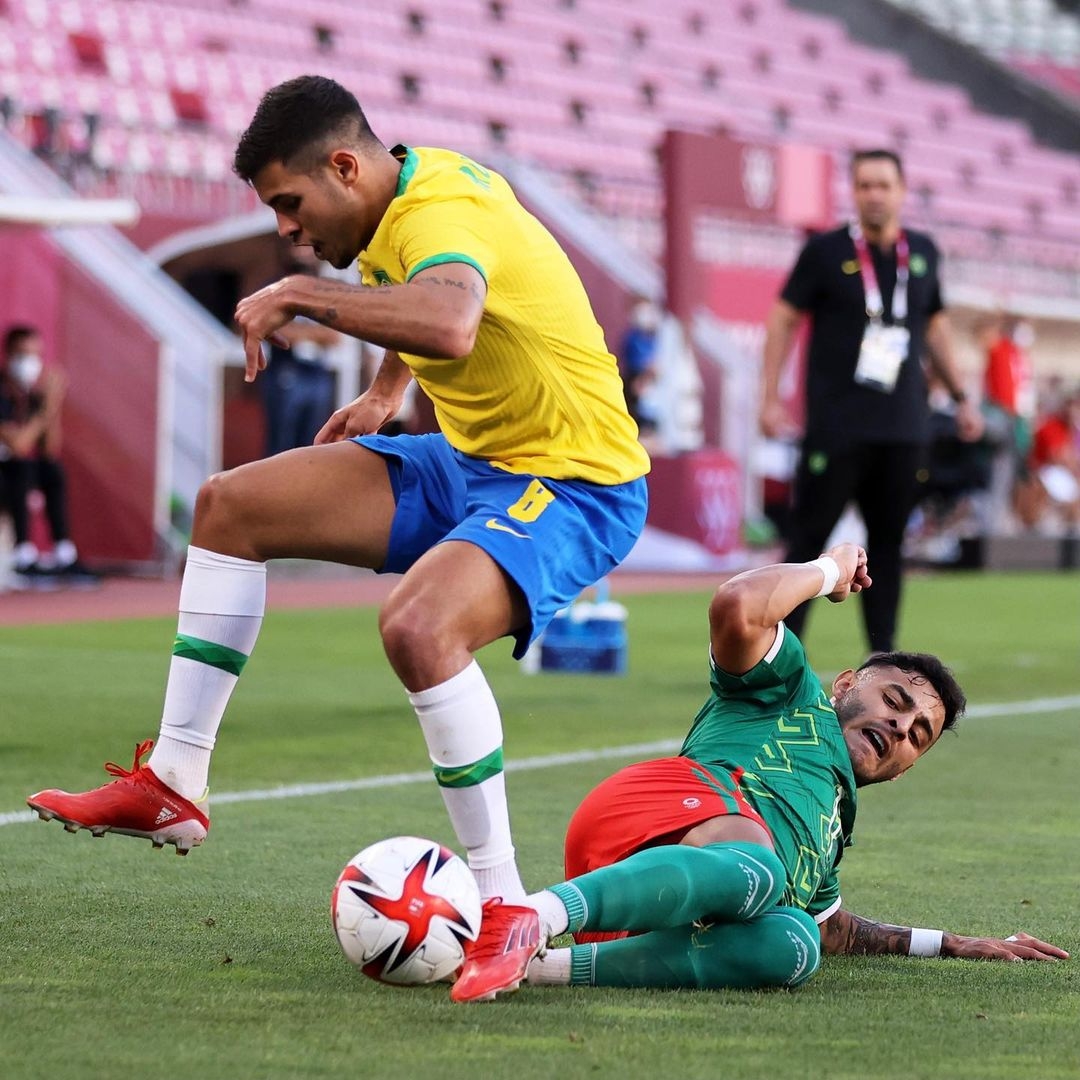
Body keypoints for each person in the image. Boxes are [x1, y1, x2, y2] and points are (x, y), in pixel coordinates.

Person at [26, 76, 650, 910]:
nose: (286, 229)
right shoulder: (399, 203)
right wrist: (387, 393)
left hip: (576, 485)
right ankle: (174, 780)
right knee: (228, 507)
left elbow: (451, 320)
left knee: (420, 628)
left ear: (346, 168)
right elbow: (427, 294)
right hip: (469, 461)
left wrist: (299, 293)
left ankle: (505, 907)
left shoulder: (440, 211)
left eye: (290, 204)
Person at [450, 543, 1067, 1003]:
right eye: (896, 701)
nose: (902, 728)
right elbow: (737, 606)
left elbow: (837, 932)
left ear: (905, 769)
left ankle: (533, 964)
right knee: (760, 870)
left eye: (918, 735)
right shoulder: (790, 688)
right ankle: (526, 915)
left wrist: (953, 942)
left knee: (794, 943)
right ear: (847, 683)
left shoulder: (827, 834)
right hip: (651, 815)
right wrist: (827, 570)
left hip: (650, 917)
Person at [759, 149, 984, 655]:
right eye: (864, 185)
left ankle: (882, 658)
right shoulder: (823, 252)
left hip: (903, 428)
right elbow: (782, 320)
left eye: (883, 184)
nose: (874, 194)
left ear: (902, 191)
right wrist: (770, 397)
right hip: (837, 425)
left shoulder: (922, 253)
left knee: (886, 548)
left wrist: (963, 397)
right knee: (807, 542)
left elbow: (935, 329)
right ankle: (777, 658)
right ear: (853, 193)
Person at [0, 324, 99, 587]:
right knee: (20, 468)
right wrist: (47, 408)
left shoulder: (31, 396)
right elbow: (19, 445)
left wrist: (51, 406)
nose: (29, 363)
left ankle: (64, 554)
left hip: (13, 473)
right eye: (22, 355)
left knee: (51, 469)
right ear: (8, 355)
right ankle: (22, 556)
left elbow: (48, 450)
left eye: (35, 355)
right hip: (7, 474)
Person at [261, 256, 341, 456]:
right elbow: (276, 331)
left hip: (316, 372)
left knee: (313, 441)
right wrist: (313, 334)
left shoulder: (323, 296)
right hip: (286, 370)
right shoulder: (276, 293)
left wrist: (301, 332)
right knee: (282, 441)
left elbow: (334, 336)